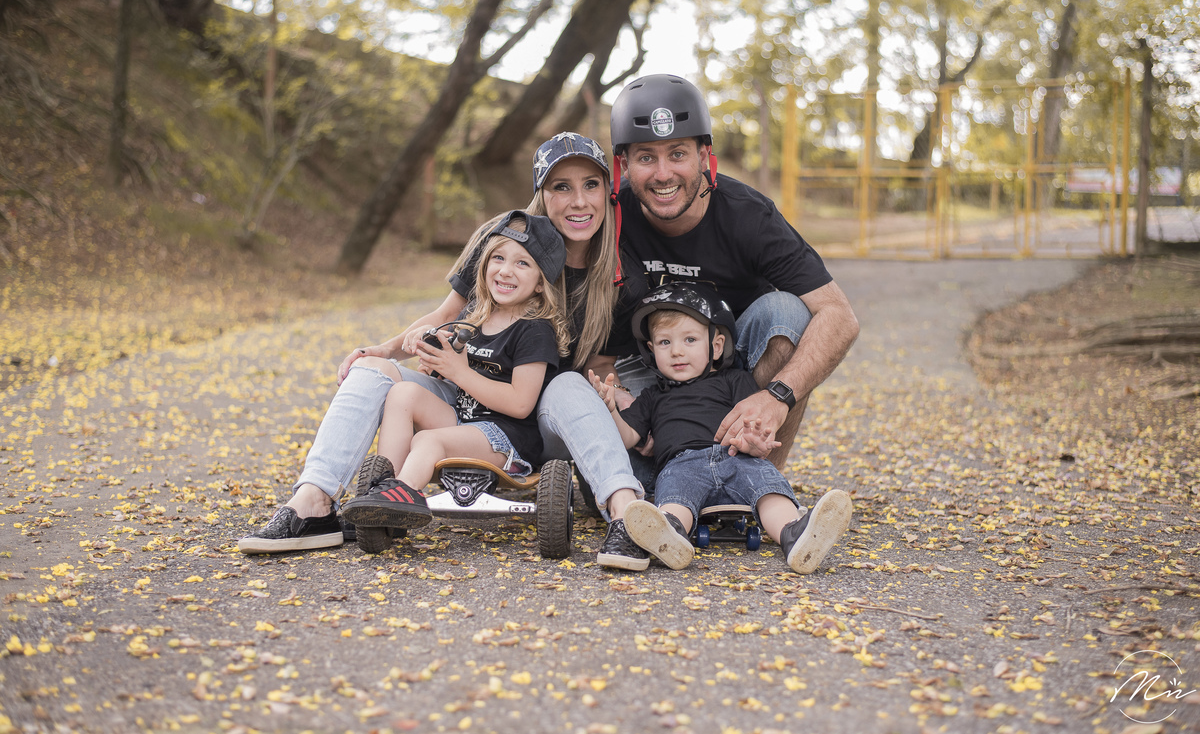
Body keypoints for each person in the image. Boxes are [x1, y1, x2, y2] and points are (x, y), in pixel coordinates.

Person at [237, 133, 653, 566]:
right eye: (561, 187)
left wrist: (615, 397)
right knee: (373, 371)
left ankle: (625, 515)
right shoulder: (501, 239)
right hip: (469, 403)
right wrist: (385, 350)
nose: (578, 201)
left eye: (590, 185)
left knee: (566, 383)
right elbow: (446, 314)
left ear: (609, 193)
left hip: (536, 423)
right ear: (541, 194)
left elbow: (600, 365)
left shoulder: (620, 275)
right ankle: (318, 504)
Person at [605, 73, 860, 473]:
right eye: (645, 157)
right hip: (644, 367)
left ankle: (758, 484)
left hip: (730, 371)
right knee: (634, 489)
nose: (662, 174)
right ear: (624, 164)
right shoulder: (607, 211)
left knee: (788, 313)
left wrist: (777, 396)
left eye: (677, 154)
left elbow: (840, 316)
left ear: (704, 157)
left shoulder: (749, 216)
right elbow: (528, 238)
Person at [337, 212, 570, 553]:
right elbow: (444, 353)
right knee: (403, 393)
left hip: (506, 437)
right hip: (466, 420)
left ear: (539, 282)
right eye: (498, 258)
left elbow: (521, 403)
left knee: (430, 440)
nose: (506, 270)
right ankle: (385, 488)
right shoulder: (476, 316)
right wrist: (426, 345)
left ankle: (400, 491)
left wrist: (460, 372)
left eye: (522, 264)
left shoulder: (535, 329)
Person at [589, 283, 852, 572]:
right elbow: (627, 437)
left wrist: (756, 442)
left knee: (767, 488)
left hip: (736, 457)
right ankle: (669, 534)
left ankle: (795, 534)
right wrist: (611, 409)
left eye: (689, 339)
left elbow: (755, 425)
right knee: (676, 497)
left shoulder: (735, 381)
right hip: (682, 463)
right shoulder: (652, 396)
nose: (676, 351)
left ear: (715, 346)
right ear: (651, 350)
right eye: (665, 343)